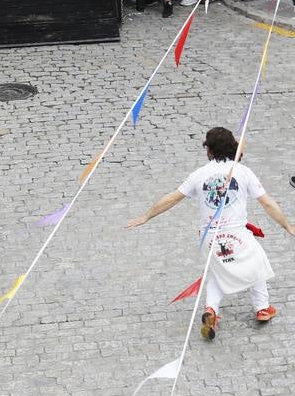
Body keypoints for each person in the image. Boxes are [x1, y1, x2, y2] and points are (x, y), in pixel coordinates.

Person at [126, 126, 295, 340]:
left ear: (209, 151)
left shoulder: (199, 175)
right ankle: (262, 307)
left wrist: (146, 216)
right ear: (233, 149)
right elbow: (267, 203)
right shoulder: (243, 172)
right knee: (256, 265)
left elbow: (171, 199)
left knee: (216, 271)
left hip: (209, 237)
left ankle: (211, 310)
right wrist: (287, 225)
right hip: (238, 234)